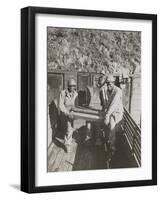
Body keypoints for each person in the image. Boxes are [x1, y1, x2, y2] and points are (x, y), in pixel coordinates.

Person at [103, 74, 124, 155]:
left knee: (113, 129)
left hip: (118, 114)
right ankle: (111, 143)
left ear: (113, 83)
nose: (108, 85)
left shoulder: (117, 91)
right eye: (107, 83)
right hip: (112, 113)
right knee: (110, 128)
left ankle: (112, 148)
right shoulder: (110, 91)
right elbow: (109, 103)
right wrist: (106, 111)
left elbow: (114, 104)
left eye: (110, 83)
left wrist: (107, 114)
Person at [58, 78, 78, 153]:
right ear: (68, 86)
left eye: (73, 86)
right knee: (68, 128)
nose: (72, 88)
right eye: (70, 86)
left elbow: (75, 104)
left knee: (71, 128)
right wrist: (67, 113)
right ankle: (67, 144)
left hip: (72, 113)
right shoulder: (63, 93)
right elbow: (61, 105)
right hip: (65, 112)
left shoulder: (75, 94)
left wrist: (74, 110)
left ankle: (68, 140)